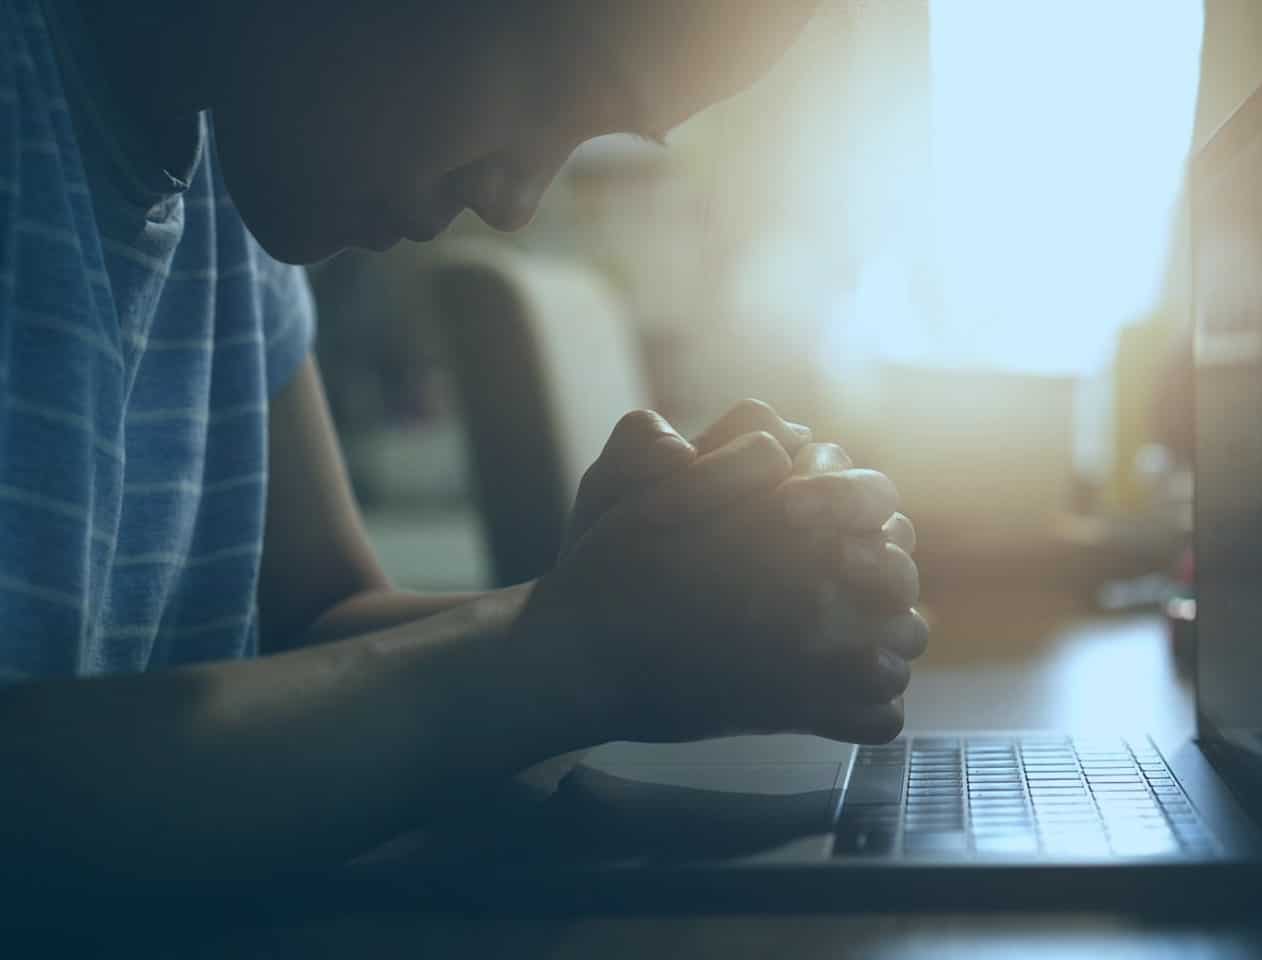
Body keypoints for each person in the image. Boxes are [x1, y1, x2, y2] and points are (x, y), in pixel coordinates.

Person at [0, 0, 926, 891]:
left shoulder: (216, 179)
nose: (518, 203)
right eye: (555, 76)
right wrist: (574, 650)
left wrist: (648, 621)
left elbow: (312, 622)